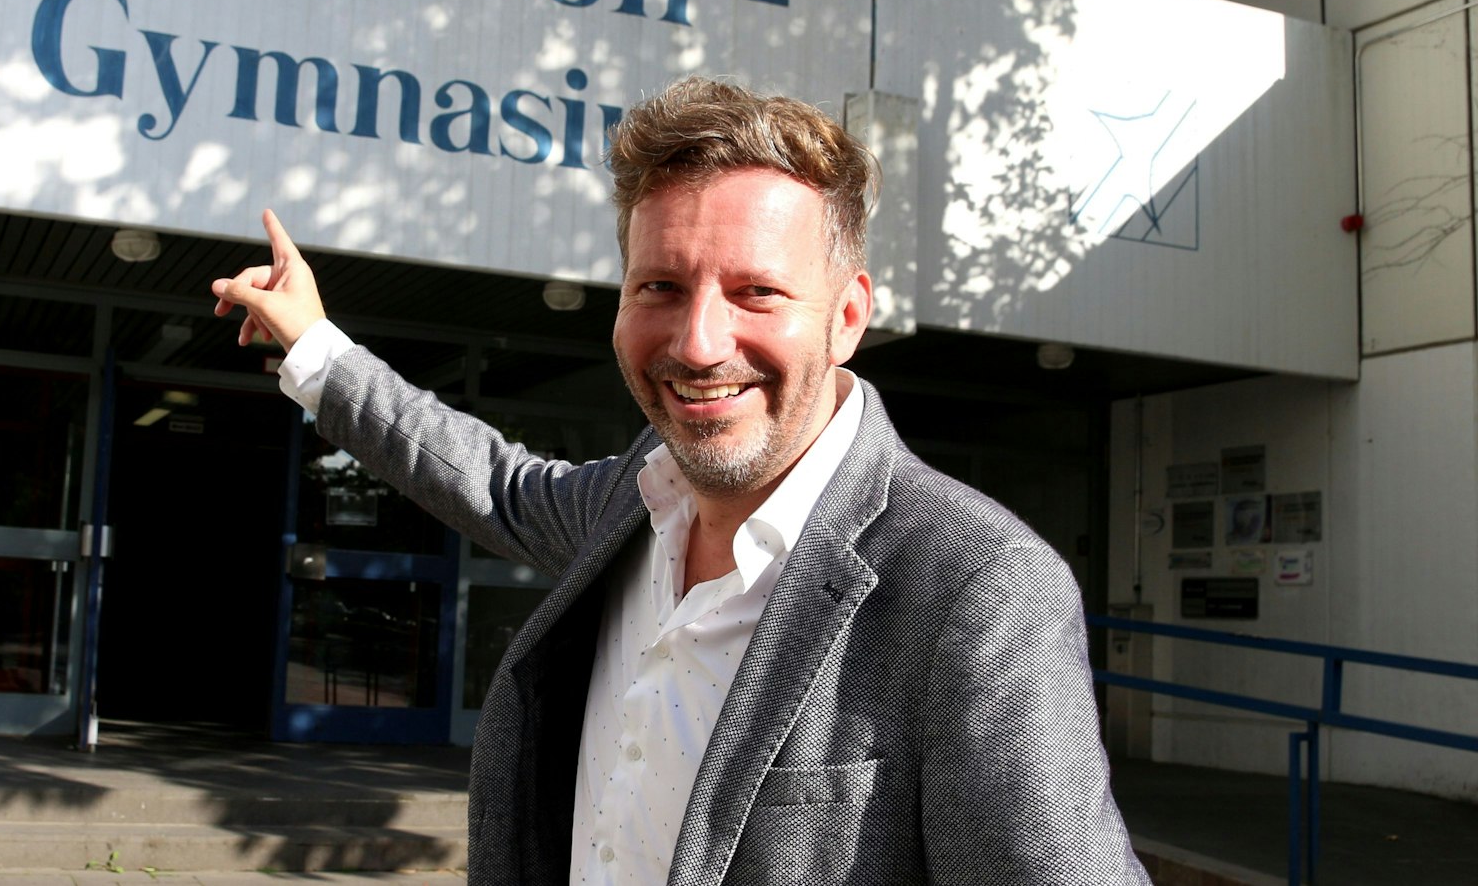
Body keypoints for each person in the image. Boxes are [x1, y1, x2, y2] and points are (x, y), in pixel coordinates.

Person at [211, 76, 1148, 885]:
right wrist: (318, 350)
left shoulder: (977, 589)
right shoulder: (627, 504)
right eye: (659, 286)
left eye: (757, 292)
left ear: (849, 315)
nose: (699, 344)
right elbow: (486, 481)